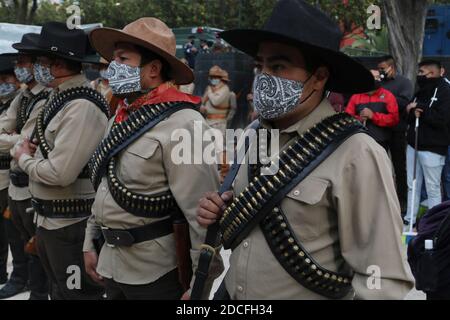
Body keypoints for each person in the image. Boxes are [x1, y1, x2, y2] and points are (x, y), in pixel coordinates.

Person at [197, 0, 414, 300]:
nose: (263, 77)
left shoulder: (356, 152)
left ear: (319, 77)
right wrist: (224, 212)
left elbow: (382, 275)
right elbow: (257, 209)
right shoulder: (254, 135)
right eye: (260, 65)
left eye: (278, 66)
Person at [84, 17, 223, 300]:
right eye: (113, 59)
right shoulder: (122, 116)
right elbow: (104, 185)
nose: (113, 67)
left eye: (123, 58)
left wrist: (200, 283)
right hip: (111, 262)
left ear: (154, 69)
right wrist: (90, 241)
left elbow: (201, 214)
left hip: (156, 272)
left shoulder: (185, 123)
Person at [12, 22, 109, 300]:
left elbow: (59, 173)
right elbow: (24, 140)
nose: (35, 68)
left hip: (71, 226)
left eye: (40, 61)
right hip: (50, 220)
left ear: (56, 64)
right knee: (60, 292)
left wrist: (25, 160)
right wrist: (25, 152)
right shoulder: (59, 97)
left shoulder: (81, 106)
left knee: (76, 294)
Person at [0, 33, 50, 300]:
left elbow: (24, 139)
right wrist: (12, 139)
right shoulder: (24, 96)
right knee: (17, 236)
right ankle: (20, 278)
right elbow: (7, 127)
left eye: (25, 61)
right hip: (15, 180)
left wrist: (13, 139)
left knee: (36, 242)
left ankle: (38, 289)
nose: (20, 66)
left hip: (34, 179)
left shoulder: (46, 97)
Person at [404, 60, 450, 227]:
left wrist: (421, 109)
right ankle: (410, 217)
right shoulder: (421, 90)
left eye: (422, 72)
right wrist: (411, 111)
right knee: (412, 184)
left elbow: (443, 119)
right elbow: (409, 111)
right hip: (413, 144)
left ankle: (434, 221)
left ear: (433, 73)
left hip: (433, 147)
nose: (419, 76)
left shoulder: (445, 91)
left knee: (432, 186)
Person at [0, 53, 26, 296]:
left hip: (14, 175)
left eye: (6, 78)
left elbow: (24, 139)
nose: (3, 83)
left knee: (16, 233)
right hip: (6, 176)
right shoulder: (9, 102)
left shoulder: (24, 100)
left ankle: (21, 278)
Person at [377, 55, 414, 214]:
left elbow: (403, 102)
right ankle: (380, 201)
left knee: (400, 167)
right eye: (379, 69)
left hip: (397, 130)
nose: (381, 71)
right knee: (379, 167)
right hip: (378, 130)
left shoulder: (404, 82)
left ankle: (402, 202)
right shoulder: (377, 83)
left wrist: (383, 96)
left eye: (383, 68)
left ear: (392, 67)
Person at [345, 70, 400, 151]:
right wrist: (359, 119)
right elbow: (347, 118)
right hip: (360, 141)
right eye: (372, 77)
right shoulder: (356, 96)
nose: (375, 80)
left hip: (381, 142)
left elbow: (394, 119)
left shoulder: (388, 96)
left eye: (377, 77)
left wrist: (373, 116)